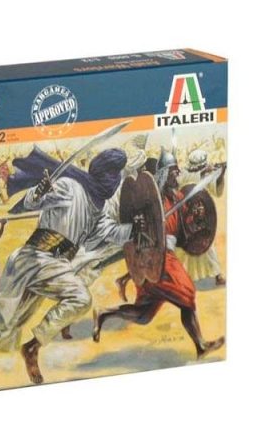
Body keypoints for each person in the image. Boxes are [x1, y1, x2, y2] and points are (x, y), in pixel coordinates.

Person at [0, 148, 142, 395]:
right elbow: (32, 202)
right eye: (115, 175)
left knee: (6, 322)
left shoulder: (98, 208)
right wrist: (39, 192)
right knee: (79, 298)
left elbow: (109, 233)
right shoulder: (70, 186)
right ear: (106, 175)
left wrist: (135, 230)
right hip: (36, 259)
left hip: (49, 265)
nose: (116, 181)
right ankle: (33, 347)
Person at [92, 149, 225, 359]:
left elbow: (184, 229)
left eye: (177, 170)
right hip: (158, 259)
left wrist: (196, 215)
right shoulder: (151, 201)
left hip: (160, 259)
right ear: (164, 173)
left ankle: (104, 313)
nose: (178, 173)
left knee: (144, 313)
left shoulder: (177, 198)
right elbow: (139, 230)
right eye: (173, 170)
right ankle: (200, 346)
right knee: (188, 294)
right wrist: (148, 222)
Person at [175, 149, 226, 286]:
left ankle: (217, 275)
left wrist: (221, 173)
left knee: (207, 245)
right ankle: (177, 277)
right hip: (186, 217)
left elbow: (215, 188)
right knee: (183, 248)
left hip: (202, 216)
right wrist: (205, 173)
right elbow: (185, 184)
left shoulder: (205, 175)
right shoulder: (184, 175)